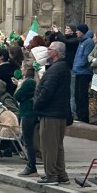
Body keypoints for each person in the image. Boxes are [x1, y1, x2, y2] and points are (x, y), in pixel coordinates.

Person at [33, 40, 71, 184]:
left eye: (49, 49)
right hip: (59, 112)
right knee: (57, 146)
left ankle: (51, 175)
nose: (47, 51)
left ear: (55, 52)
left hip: (51, 113)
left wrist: (37, 104)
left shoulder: (55, 69)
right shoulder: (62, 67)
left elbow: (47, 91)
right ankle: (61, 174)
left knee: (48, 146)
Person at [71, 23, 94, 123]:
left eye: (78, 30)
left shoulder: (88, 42)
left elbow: (85, 57)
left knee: (82, 95)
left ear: (82, 32)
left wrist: (78, 66)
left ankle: (84, 116)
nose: (76, 32)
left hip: (84, 72)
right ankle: (79, 114)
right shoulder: (81, 41)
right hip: (78, 71)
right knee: (77, 94)